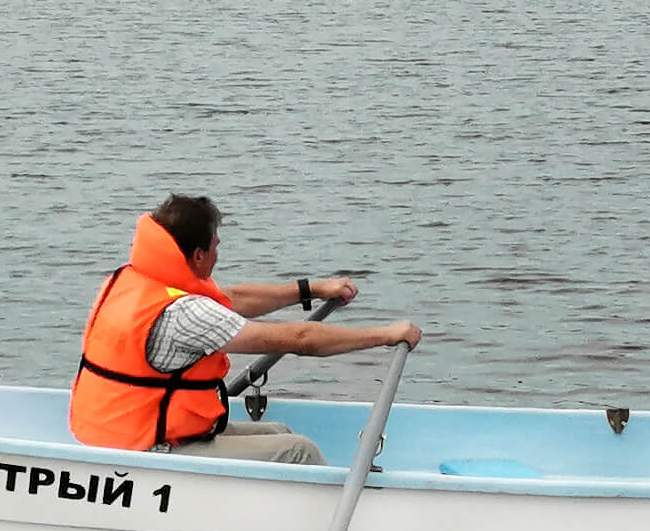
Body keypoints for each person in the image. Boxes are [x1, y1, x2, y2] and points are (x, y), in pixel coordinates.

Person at [69, 194, 422, 464]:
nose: (218, 253)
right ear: (196, 256)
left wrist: (311, 288)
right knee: (298, 451)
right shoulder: (186, 313)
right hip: (149, 450)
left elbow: (233, 298)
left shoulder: (129, 281)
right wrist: (388, 334)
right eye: (215, 246)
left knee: (279, 432)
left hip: (114, 434)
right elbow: (299, 339)